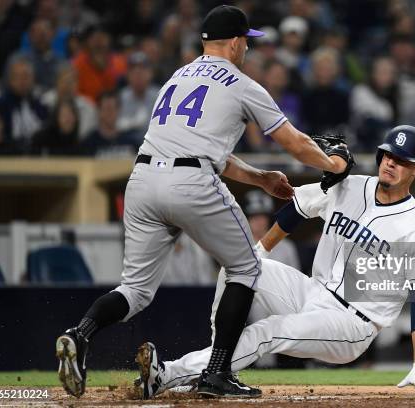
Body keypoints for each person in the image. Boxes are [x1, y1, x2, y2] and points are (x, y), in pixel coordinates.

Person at [55, 5, 349, 400]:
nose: (247, 47)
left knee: (136, 290)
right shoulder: (242, 84)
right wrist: (333, 163)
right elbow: (294, 142)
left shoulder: (175, 78)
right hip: (191, 181)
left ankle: (81, 333)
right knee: (247, 267)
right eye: (246, 40)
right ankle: (217, 372)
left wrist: (260, 179)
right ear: (234, 42)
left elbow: (208, 151)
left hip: (142, 180)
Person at [134, 125, 415, 400]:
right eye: (388, 155)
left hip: (353, 322)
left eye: (403, 160)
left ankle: (171, 374)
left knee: (269, 330)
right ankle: (216, 366)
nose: (391, 163)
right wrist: (260, 251)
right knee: (239, 266)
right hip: (311, 291)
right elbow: (298, 208)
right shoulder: (351, 186)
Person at [116, 52, 160, 141]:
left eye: (143, 69)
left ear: (151, 73)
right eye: (133, 70)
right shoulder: (120, 97)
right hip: (126, 146)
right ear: (127, 75)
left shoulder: (160, 96)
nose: (138, 73)